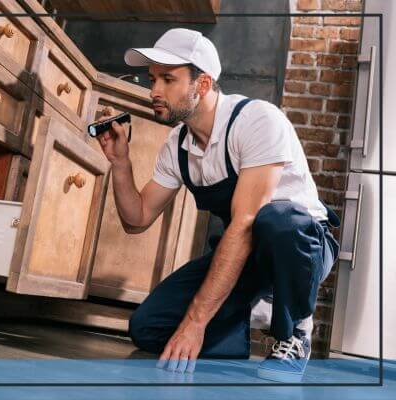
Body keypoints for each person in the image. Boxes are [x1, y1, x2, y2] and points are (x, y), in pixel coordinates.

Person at [95, 28, 340, 382]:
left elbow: (246, 222)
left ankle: (294, 332)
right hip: (247, 254)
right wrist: (120, 163)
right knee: (147, 327)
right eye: (152, 80)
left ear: (203, 84)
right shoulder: (177, 145)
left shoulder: (256, 120)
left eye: (168, 79)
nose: (154, 92)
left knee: (278, 219)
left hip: (301, 247)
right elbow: (138, 219)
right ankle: (249, 314)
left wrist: (196, 322)